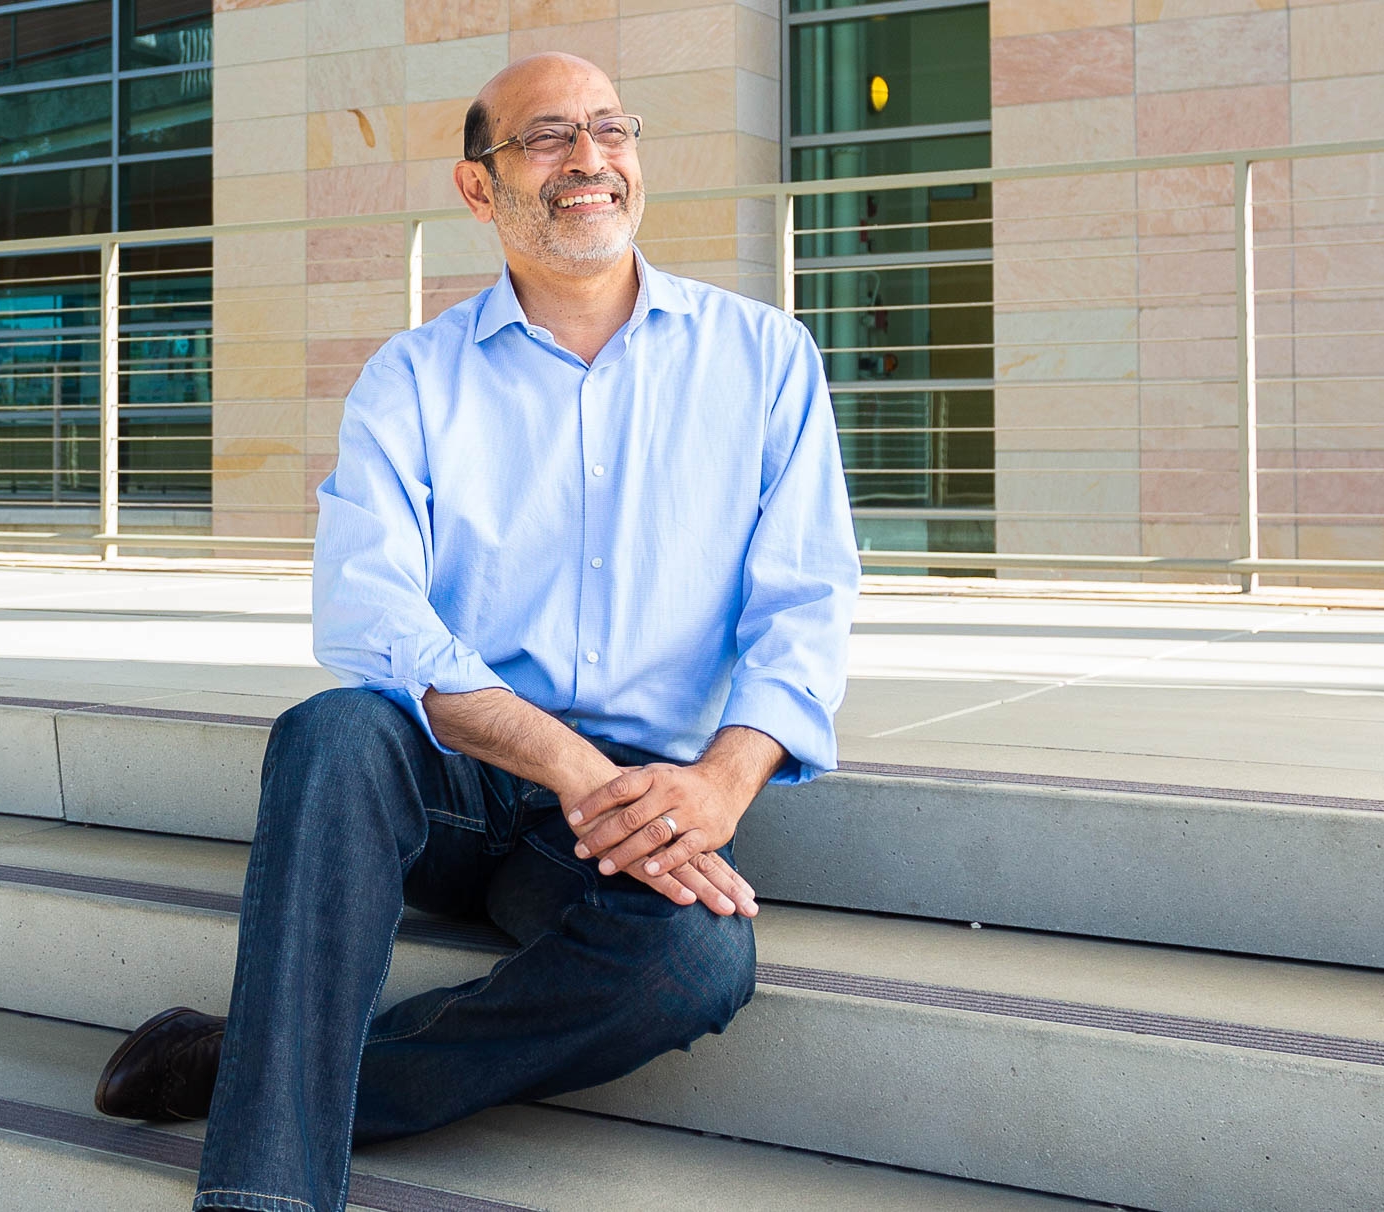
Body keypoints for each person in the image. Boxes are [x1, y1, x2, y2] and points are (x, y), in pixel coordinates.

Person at [91, 51, 860, 1212]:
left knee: (694, 958)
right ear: (477, 187)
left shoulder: (764, 361)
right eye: (548, 136)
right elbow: (367, 610)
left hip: (626, 810)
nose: (591, 158)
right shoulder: (411, 381)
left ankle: (238, 1063)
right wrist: (565, 762)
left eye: (611, 127)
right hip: (455, 776)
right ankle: (265, 1197)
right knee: (335, 732)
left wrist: (721, 782)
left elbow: (805, 600)